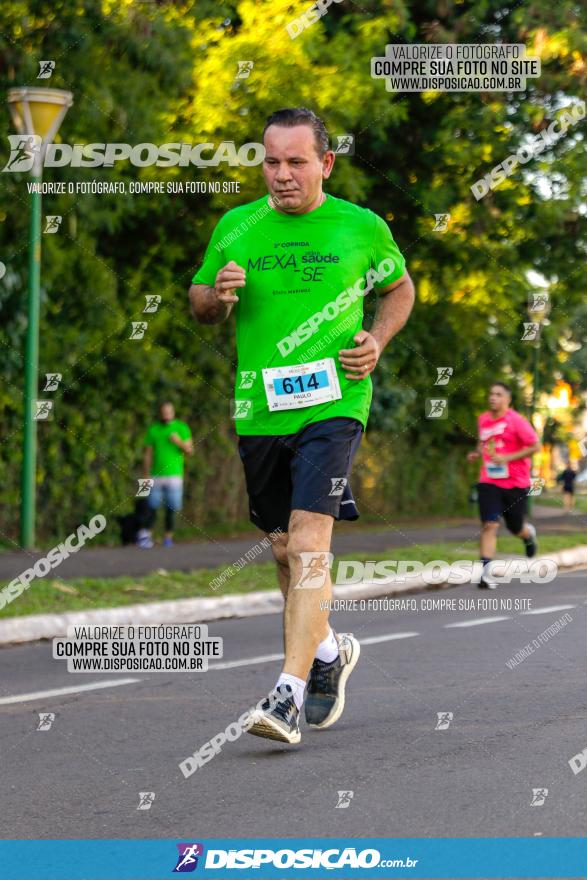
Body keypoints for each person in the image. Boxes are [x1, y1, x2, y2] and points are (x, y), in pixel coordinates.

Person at [189, 107, 415, 744]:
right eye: (271, 161)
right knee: (285, 548)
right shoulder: (237, 225)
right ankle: (327, 654)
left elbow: (400, 291)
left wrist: (378, 338)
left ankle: (285, 694)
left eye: (295, 161)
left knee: (312, 541)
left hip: (336, 401)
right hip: (260, 406)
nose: (281, 175)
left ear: (326, 163)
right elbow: (200, 302)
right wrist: (218, 296)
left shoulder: (361, 227)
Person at [467, 382, 540, 589]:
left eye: (498, 394)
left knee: (515, 526)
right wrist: (477, 453)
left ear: (508, 399)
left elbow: (536, 446)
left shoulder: (517, 421)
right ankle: (486, 573)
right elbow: (483, 444)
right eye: (491, 394)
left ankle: (528, 535)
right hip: (489, 481)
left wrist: (507, 458)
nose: (493, 398)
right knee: (489, 524)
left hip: (515, 483)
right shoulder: (483, 419)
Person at [138, 402, 193, 548]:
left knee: (172, 508)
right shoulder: (153, 429)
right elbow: (147, 454)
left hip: (175, 475)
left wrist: (178, 441)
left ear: (173, 412)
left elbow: (189, 451)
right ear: (160, 413)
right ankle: (146, 538)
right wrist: (145, 473)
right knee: (151, 506)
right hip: (155, 475)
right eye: (163, 412)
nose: (166, 414)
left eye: (168, 412)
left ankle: (168, 538)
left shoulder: (182, 428)